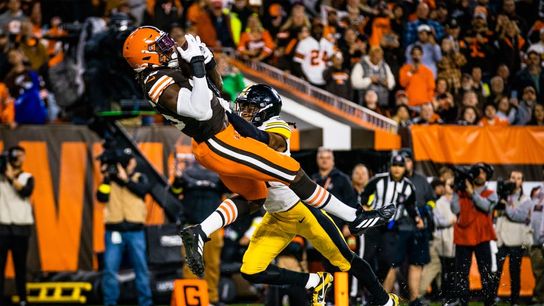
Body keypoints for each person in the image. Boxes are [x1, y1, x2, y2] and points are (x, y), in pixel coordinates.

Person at [122, 27, 394, 277]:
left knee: (256, 195)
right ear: (147, 57)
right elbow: (203, 109)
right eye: (161, 46)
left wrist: (208, 62)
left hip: (218, 137)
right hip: (218, 140)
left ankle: (200, 232)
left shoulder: (167, 69)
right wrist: (195, 66)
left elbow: (217, 92)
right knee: (290, 170)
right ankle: (355, 217)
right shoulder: (156, 83)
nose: (169, 47)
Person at [234, 84, 399, 306]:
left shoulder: (276, 126)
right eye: (242, 108)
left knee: (346, 261)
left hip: (301, 210)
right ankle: (315, 281)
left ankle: (386, 301)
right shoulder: (242, 134)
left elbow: (261, 137)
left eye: (249, 108)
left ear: (265, 109)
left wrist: (227, 116)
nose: (243, 113)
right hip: (275, 215)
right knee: (251, 270)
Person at [96, 148, 153, 306]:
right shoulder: (110, 181)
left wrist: (125, 180)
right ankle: (110, 302)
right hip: (114, 231)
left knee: (141, 270)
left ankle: (145, 302)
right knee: (110, 271)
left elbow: (143, 190)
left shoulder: (139, 177)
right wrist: (107, 178)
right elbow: (101, 196)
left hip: (136, 232)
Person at [170, 154, 227, 306]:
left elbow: (229, 191)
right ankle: (191, 299)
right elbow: (174, 192)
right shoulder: (187, 173)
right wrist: (177, 179)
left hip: (213, 226)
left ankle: (211, 299)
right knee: (191, 264)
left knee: (213, 264)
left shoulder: (219, 174)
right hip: (191, 225)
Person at [448, 163, 498, 306]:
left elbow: (487, 207)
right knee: (461, 273)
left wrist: (472, 193)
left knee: (486, 272)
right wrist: (458, 190)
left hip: (482, 237)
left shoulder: (491, 193)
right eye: (478, 172)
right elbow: (455, 209)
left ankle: (489, 302)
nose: (480, 175)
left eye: (483, 173)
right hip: (463, 237)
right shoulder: (460, 192)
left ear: (487, 176)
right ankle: (462, 302)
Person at [0, 146, 34, 306]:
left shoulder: (27, 176)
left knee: (20, 267)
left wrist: (11, 178)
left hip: (21, 228)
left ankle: (22, 299)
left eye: (22, 155)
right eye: (18, 155)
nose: (20, 158)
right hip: (3, 227)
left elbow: (25, 192)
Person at [494, 170, 533, 305]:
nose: (514, 180)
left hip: (517, 241)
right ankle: (492, 297)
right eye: (512, 177)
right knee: (496, 269)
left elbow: (519, 216)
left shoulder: (526, 199)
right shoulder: (502, 195)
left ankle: (514, 300)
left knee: (514, 271)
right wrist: (501, 200)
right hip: (501, 239)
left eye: (518, 178)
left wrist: (505, 205)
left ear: (522, 182)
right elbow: (496, 212)